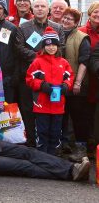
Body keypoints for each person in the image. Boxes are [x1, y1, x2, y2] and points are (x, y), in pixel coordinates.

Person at [16, 0, 65, 147]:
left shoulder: (57, 28)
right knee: (28, 110)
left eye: (43, 6)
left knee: (49, 113)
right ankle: (31, 141)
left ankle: (49, 144)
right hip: (29, 77)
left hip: (52, 80)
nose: (39, 9)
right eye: (36, 6)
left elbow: (62, 47)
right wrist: (40, 58)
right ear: (32, 8)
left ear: (48, 9)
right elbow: (19, 48)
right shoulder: (23, 27)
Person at [26, 27, 74, 155]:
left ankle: (54, 155)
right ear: (43, 46)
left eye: (54, 45)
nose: (51, 47)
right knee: (42, 130)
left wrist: (66, 85)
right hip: (42, 104)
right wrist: (41, 85)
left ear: (58, 46)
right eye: (48, 45)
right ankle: (42, 154)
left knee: (56, 131)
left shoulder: (63, 62)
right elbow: (29, 78)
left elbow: (70, 77)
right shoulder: (37, 62)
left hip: (58, 105)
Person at [61, 8, 90, 160]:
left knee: (78, 117)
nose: (66, 20)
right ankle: (63, 145)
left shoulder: (82, 37)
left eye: (70, 19)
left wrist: (77, 82)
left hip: (77, 86)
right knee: (61, 116)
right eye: (64, 17)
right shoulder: (57, 33)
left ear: (76, 22)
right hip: (60, 85)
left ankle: (81, 150)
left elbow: (84, 62)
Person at [79, 1, 99, 153]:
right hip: (84, 79)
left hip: (96, 80)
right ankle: (86, 145)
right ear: (90, 13)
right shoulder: (81, 31)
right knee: (84, 114)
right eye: (95, 12)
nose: (97, 15)